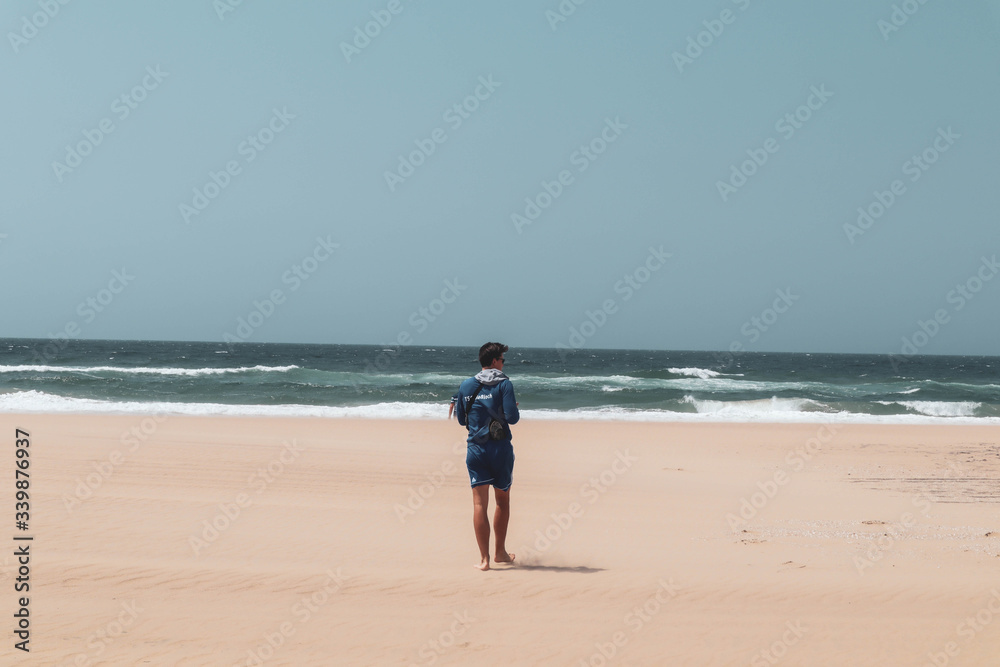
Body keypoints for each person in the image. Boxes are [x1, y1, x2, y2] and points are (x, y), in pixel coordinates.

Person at [454, 342, 520, 571]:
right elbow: (513, 418)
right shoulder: (505, 385)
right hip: (500, 449)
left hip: (476, 450)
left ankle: (484, 560)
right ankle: (500, 552)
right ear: (494, 361)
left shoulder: (466, 385)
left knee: (479, 503)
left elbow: (462, 420)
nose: (503, 363)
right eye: (502, 359)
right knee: (502, 501)